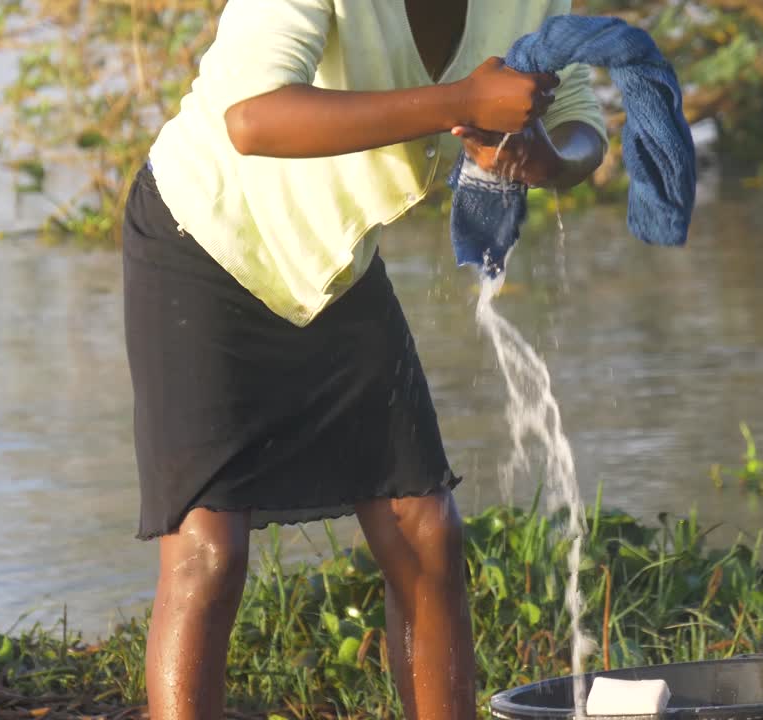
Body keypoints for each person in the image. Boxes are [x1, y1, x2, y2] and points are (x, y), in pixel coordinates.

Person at [121, 0, 607, 717]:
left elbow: (578, 119)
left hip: (332, 260)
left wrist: (548, 159)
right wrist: (463, 102)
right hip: (207, 236)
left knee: (426, 532)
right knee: (209, 552)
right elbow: (253, 121)